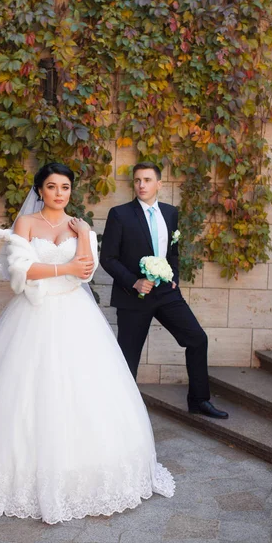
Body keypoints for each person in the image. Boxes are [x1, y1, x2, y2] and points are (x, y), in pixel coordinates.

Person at [0, 162, 175, 524]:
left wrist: (83, 234)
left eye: (65, 187)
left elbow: (87, 268)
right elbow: (20, 271)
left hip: (73, 312)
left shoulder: (78, 225)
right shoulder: (27, 224)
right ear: (40, 190)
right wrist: (64, 269)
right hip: (32, 312)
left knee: (82, 388)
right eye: (52, 186)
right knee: (22, 389)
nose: (59, 193)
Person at [100, 161, 228, 419]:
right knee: (128, 357)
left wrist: (174, 278)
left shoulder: (170, 213)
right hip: (134, 296)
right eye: (137, 180)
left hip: (166, 294)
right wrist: (134, 282)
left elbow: (173, 251)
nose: (141, 185)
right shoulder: (120, 214)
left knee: (197, 339)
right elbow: (108, 258)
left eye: (147, 180)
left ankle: (199, 401)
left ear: (159, 184)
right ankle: (119, 414)